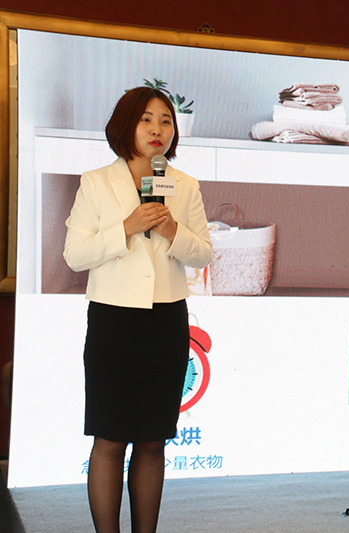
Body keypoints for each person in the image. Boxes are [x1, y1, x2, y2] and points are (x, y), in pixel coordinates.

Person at [63, 86, 212, 533]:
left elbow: (203, 253)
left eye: (166, 120)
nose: (157, 129)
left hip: (166, 322)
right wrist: (127, 227)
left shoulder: (183, 185)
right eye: (146, 119)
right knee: (110, 439)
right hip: (114, 321)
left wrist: (171, 230)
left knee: (152, 441)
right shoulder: (96, 182)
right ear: (126, 125)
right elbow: (75, 255)